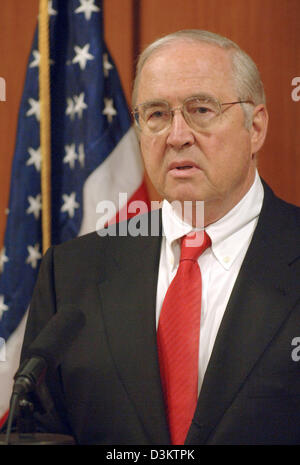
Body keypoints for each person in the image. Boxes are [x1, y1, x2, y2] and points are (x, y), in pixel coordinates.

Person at [20, 30, 300, 445]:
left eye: (201, 109)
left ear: (255, 127)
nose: (177, 135)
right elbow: (36, 431)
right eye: (156, 114)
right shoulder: (71, 271)